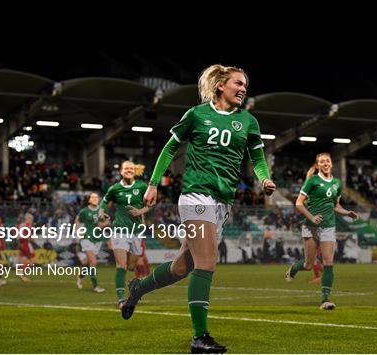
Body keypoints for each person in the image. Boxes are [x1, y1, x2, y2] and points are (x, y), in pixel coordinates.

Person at [121, 64, 275, 353]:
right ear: (220, 85)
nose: (243, 89)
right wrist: (153, 184)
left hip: (222, 202)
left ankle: (138, 289)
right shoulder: (197, 115)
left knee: (183, 267)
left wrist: (264, 177)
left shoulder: (249, 122)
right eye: (238, 83)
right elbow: (169, 149)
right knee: (207, 264)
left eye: (245, 85)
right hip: (196, 196)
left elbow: (257, 156)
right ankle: (200, 337)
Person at [285, 153, 358, 310]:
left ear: (331, 164)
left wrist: (347, 212)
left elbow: (335, 205)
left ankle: (325, 300)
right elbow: (298, 203)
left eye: (327, 161)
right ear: (317, 165)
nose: (325, 163)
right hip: (310, 226)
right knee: (309, 264)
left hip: (328, 226)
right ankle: (294, 268)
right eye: (322, 161)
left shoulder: (337, 183)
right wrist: (311, 217)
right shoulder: (312, 181)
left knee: (328, 262)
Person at [99, 161, 150, 307]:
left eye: (131, 168)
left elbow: (151, 203)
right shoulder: (115, 188)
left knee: (132, 266)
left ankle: (133, 285)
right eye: (126, 168)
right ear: (121, 171)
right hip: (119, 230)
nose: (129, 170)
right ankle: (122, 299)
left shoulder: (142, 186)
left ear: (135, 171)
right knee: (121, 265)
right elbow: (104, 203)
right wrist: (102, 214)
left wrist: (140, 211)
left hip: (136, 232)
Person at [75, 192, 106, 292]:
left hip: (96, 239)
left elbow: (102, 224)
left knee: (88, 263)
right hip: (86, 238)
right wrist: (79, 231)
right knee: (93, 262)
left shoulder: (101, 211)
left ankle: (80, 277)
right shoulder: (84, 211)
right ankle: (95, 286)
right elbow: (77, 221)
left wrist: (105, 223)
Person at [17, 213, 36, 282]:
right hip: (26, 243)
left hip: (20, 244)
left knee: (24, 260)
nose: (32, 221)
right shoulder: (28, 225)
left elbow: (17, 236)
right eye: (31, 219)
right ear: (28, 219)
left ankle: (23, 276)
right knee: (32, 260)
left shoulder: (20, 225)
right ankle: (20, 273)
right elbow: (29, 237)